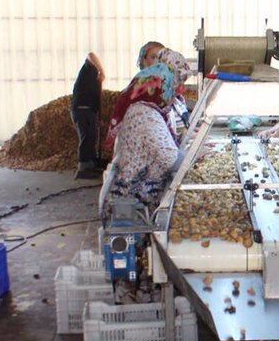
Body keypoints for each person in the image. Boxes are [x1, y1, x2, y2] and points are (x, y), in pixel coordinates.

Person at [98, 61, 184, 301]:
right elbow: (170, 158)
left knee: (139, 269)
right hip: (128, 206)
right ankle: (133, 313)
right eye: (171, 89)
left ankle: (141, 305)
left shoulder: (145, 110)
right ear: (160, 88)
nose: (173, 96)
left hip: (132, 200)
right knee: (129, 268)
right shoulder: (145, 115)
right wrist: (196, 156)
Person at [106, 47, 192, 153]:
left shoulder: (156, 105)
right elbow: (166, 154)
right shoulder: (146, 112)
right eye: (175, 81)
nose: (180, 86)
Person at [71, 52, 105, 180]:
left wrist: (98, 118)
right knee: (86, 137)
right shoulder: (88, 70)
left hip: (89, 111)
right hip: (81, 109)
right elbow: (90, 54)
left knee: (91, 136)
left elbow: (96, 100)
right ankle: (83, 168)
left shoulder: (95, 81)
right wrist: (101, 71)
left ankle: (91, 164)